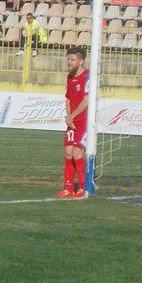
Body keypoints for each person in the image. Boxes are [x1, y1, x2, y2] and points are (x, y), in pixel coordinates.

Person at [56, 47, 90, 199]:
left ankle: (82, 188)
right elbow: (69, 99)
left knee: (77, 153)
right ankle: (68, 188)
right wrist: (69, 117)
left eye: (72, 59)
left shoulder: (87, 77)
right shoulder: (69, 77)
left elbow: (86, 100)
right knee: (68, 152)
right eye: (68, 59)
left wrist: (73, 116)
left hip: (83, 122)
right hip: (72, 121)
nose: (69, 62)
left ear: (81, 61)